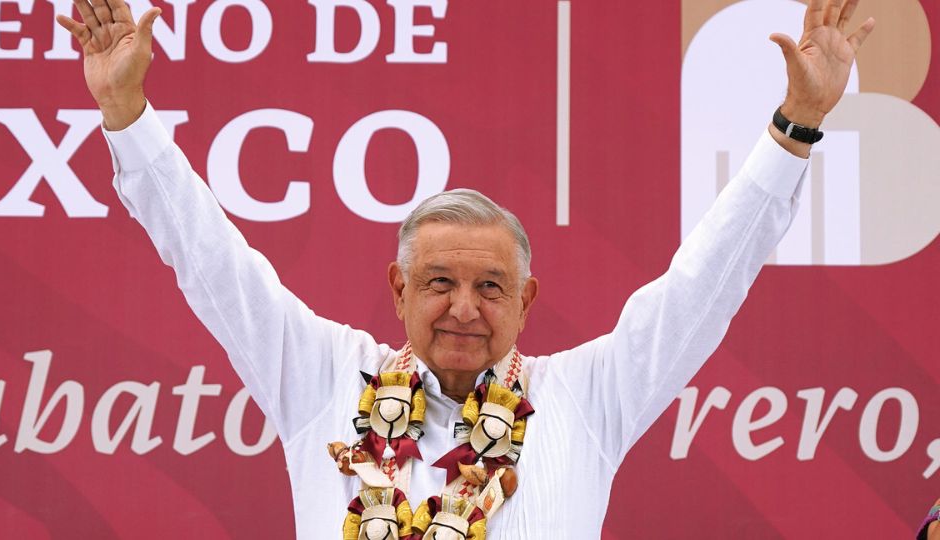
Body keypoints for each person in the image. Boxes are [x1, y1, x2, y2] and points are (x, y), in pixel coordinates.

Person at [58, 0, 874, 538]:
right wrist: (125, 112)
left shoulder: (588, 398)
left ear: (527, 300)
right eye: (440, 282)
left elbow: (705, 284)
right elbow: (209, 259)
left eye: (490, 288)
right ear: (397, 288)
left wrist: (796, 125)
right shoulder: (322, 379)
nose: (463, 308)